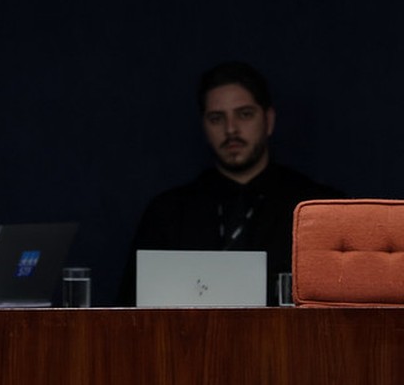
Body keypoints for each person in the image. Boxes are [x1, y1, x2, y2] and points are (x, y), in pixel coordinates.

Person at [118, 61, 343, 306]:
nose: (231, 129)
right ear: (204, 126)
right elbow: (130, 311)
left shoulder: (316, 209)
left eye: (244, 114)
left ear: (268, 120)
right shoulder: (167, 212)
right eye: (216, 118)